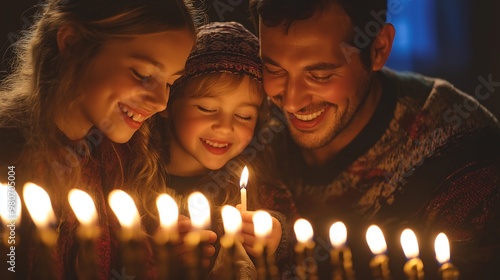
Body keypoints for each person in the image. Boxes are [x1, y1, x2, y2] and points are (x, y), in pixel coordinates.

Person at [249, 0, 500, 279]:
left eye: (320, 75)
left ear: (379, 49)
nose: (292, 102)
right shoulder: (246, 120)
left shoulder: (461, 149)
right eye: (274, 70)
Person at [0, 0, 200, 279]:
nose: (161, 102)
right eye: (143, 75)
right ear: (73, 43)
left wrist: (158, 262)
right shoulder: (8, 159)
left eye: (170, 83)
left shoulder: (126, 161)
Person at [152, 21, 297, 279]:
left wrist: (278, 238)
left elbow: (301, 257)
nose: (224, 127)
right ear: (168, 104)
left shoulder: (259, 189)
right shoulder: (129, 174)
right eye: (207, 109)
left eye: (244, 116)